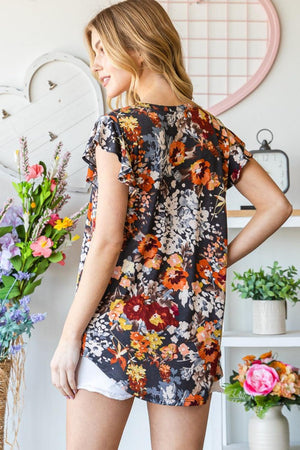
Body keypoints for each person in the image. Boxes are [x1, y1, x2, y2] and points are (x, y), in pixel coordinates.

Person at [50, 1, 293, 449]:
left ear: (137, 47)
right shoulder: (211, 131)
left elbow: (107, 242)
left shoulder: (118, 129)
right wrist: (214, 263)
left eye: (103, 50)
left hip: (115, 326)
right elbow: (276, 206)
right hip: (188, 329)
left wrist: (69, 336)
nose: (96, 63)